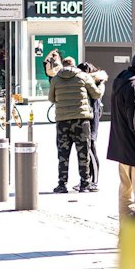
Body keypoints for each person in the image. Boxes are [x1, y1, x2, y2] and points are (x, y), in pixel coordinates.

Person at [105, 49, 135, 213]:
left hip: (121, 149)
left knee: (125, 196)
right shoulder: (134, 85)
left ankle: (124, 236)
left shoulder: (121, 79)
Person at [47, 56, 100, 193]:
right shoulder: (83, 76)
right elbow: (96, 94)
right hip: (81, 121)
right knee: (83, 153)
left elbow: (51, 98)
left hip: (62, 121)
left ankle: (62, 184)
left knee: (63, 154)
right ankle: (85, 184)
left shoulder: (55, 79)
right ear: (74, 65)